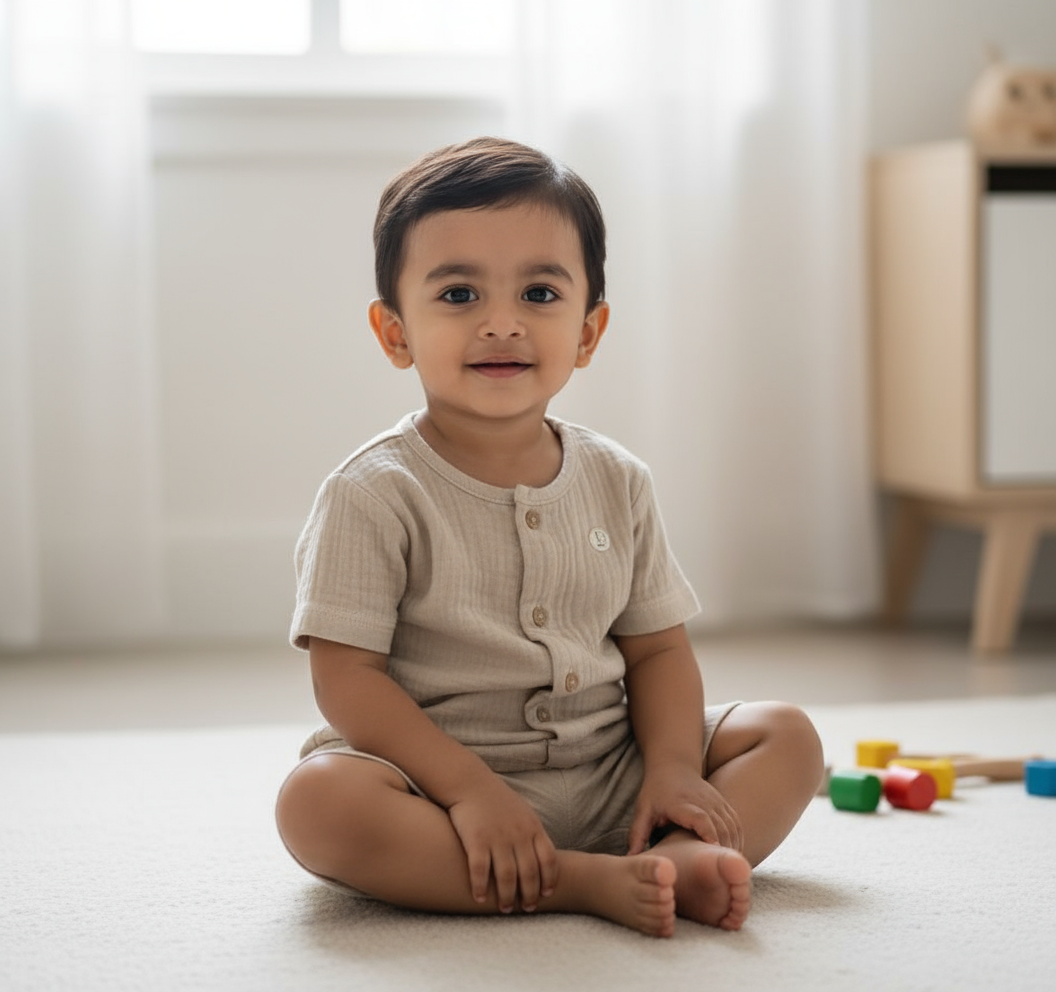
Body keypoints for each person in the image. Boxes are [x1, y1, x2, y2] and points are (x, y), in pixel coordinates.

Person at [275, 136, 824, 939]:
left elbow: (658, 651)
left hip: (611, 773)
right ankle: (578, 881)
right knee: (317, 803)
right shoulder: (372, 493)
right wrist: (468, 788)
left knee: (787, 735)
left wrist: (673, 769)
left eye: (538, 294)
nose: (502, 324)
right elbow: (347, 679)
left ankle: (675, 851)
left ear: (589, 331)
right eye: (459, 295)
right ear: (395, 333)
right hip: (444, 794)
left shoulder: (617, 479)